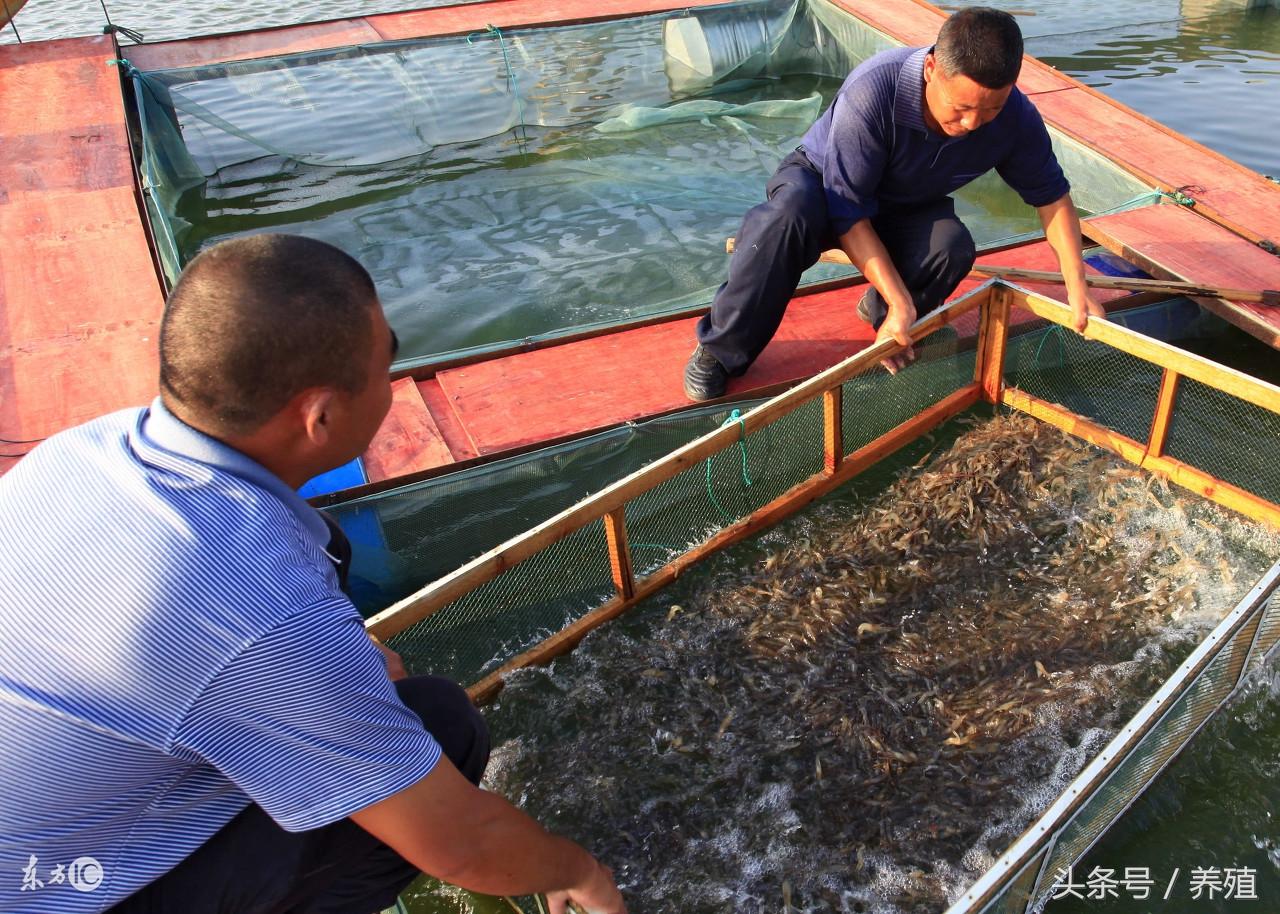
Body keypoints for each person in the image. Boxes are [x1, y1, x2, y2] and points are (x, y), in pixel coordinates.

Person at [0, 234, 626, 914]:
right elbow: (463, 844)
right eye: (386, 362)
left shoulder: (76, 452)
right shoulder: (259, 610)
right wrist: (581, 870)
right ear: (321, 415)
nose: (392, 376)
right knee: (442, 726)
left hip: (44, 831)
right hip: (56, 894)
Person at [683, 6, 1105, 401]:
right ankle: (721, 348)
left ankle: (884, 311)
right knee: (784, 220)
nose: (972, 124)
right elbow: (847, 210)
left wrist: (1077, 287)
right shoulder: (874, 90)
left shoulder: (1014, 116)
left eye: (990, 109)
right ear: (931, 68)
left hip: (902, 202)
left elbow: (1052, 199)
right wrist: (905, 303)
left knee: (951, 246)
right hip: (823, 186)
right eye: (960, 108)